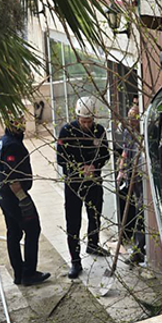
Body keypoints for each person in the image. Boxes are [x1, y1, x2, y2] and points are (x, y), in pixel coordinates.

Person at [57, 96, 110, 279]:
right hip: (74, 184)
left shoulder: (99, 130)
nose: (86, 124)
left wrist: (95, 166)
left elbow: (105, 154)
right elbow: (60, 159)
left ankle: (93, 244)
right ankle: (75, 261)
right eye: (83, 121)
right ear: (77, 117)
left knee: (94, 214)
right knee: (73, 222)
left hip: (94, 182)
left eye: (89, 121)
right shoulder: (66, 131)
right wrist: (79, 168)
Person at [0, 115, 50, 286]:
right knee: (33, 229)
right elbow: (12, 178)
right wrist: (23, 200)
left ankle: (19, 274)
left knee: (14, 233)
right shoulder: (12, 145)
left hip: (4, 196)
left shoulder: (5, 140)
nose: (23, 124)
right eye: (19, 121)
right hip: (14, 197)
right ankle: (28, 274)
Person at [117, 102, 145, 265]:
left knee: (141, 214)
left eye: (134, 118)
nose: (131, 122)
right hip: (132, 179)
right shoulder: (128, 133)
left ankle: (139, 251)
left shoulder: (144, 134)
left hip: (143, 179)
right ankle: (137, 249)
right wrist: (121, 170)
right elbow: (125, 152)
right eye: (129, 118)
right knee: (136, 211)